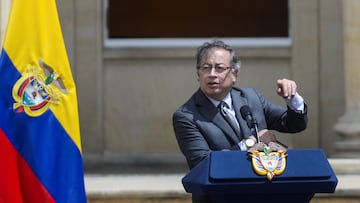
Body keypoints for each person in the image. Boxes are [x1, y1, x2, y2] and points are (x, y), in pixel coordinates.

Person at [172, 39, 308, 202]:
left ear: (234, 74)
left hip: (263, 194)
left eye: (220, 68)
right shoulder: (186, 116)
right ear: (198, 74)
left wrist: (293, 100)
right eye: (206, 68)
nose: (212, 74)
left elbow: (293, 124)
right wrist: (250, 144)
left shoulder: (250, 97)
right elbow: (204, 164)